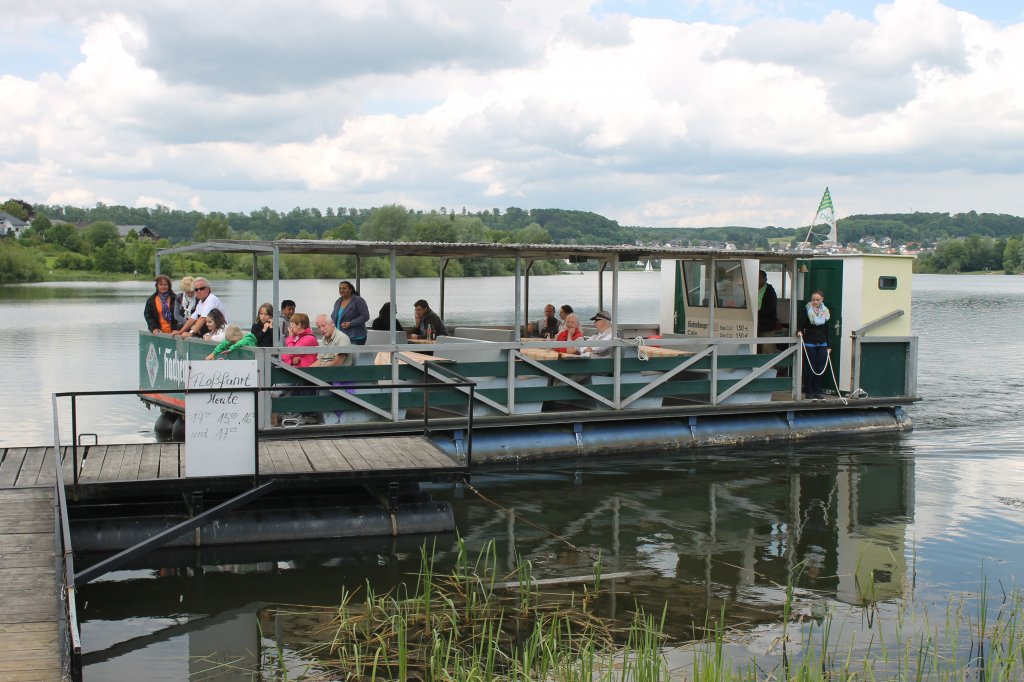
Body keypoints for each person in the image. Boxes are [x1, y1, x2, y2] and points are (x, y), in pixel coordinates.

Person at [797, 290, 830, 400]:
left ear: (822, 300)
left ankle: (818, 390)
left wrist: (828, 345)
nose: (815, 302)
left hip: (822, 343)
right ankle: (809, 391)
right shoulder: (806, 311)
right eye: (813, 300)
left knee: (820, 368)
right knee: (810, 368)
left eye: (817, 300)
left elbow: (827, 330)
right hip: (810, 342)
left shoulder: (825, 313)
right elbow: (801, 325)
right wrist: (799, 331)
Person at [330, 281, 370, 345]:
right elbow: (334, 317)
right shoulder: (338, 301)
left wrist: (351, 323)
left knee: (351, 355)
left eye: (344, 288)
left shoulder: (358, 300)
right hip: (340, 337)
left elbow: (365, 316)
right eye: (340, 289)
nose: (341, 290)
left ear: (350, 290)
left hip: (355, 337)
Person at [757, 270, 779, 336]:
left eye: (759, 278)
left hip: (766, 326)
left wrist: (756, 312)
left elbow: (770, 308)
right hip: (752, 324)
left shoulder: (770, 291)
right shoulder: (752, 289)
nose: (757, 279)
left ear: (765, 279)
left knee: (767, 345)